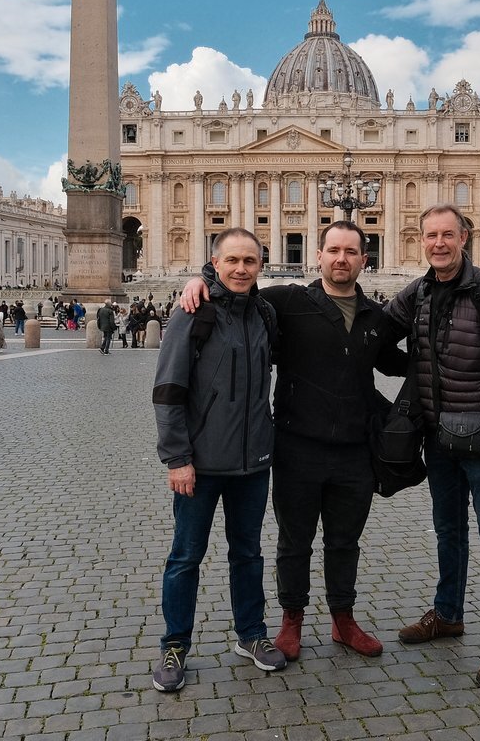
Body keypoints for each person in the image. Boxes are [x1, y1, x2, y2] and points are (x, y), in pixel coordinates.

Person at [180, 221, 406, 663]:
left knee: (345, 541)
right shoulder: (285, 302)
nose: (342, 259)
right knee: (293, 540)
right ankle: (291, 620)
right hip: (297, 446)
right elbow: (236, 289)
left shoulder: (375, 318)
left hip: (355, 451)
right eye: (333, 250)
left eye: (351, 252)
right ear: (318, 256)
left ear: (364, 259)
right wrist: (201, 280)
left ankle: (343, 619)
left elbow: (399, 364)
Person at [384, 204, 480, 689]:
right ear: (421, 241)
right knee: (448, 533)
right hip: (439, 439)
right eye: (431, 236)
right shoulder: (421, 291)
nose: (438, 243)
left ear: (464, 237)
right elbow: (377, 325)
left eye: (447, 235)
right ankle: (448, 613)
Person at [151, 228, 285, 693]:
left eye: (250, 261)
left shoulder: (266, 312)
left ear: (260, 265)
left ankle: (250, 634)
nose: (242, 269)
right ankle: (174, 645)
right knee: (186, 557)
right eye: (233, 260)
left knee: (248, 554)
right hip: (200, 465)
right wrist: (176, 458)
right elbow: (168, 390)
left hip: (253, 462)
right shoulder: (193, 310)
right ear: (215, 261)